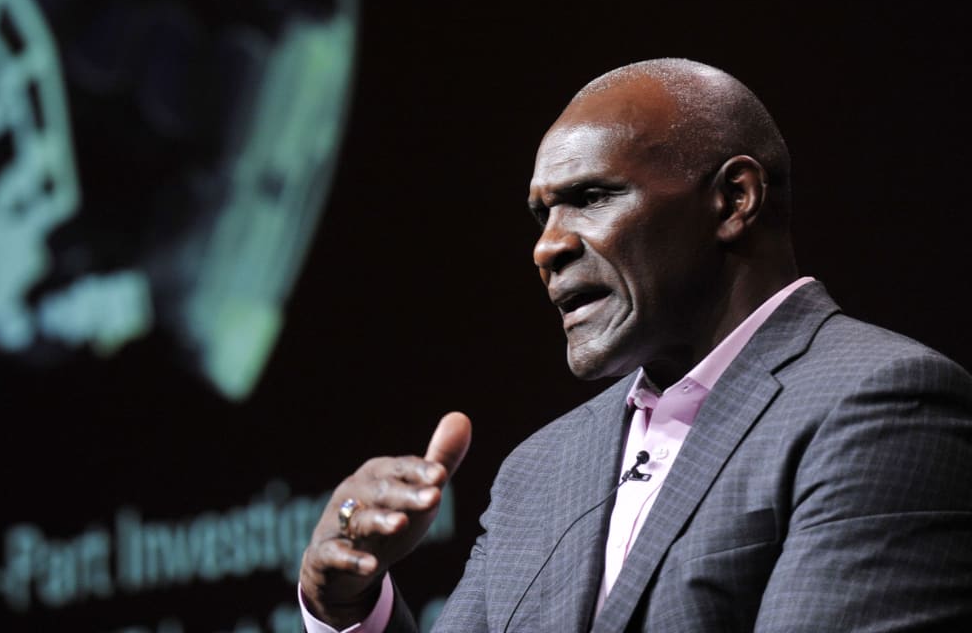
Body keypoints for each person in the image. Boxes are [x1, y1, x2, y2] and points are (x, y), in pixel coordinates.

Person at [298, 58, 972, 632]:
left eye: (590, 197)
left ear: (735, 198)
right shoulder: (541, 469)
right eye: (542, 215)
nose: (547, 247)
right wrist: (349, 608)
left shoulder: (882, 404)